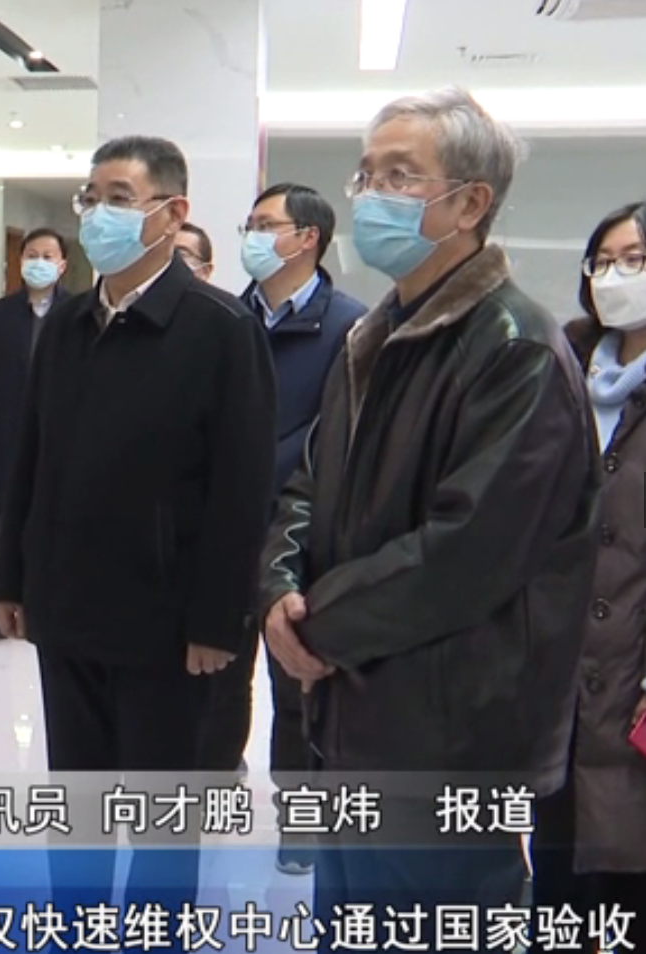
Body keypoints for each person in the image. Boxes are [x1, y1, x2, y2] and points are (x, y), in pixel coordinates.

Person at [257, 88, 597, 941]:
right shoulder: (372, 338)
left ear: (469, 203)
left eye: (399, 176)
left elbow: (463, 552)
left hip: (450, 738)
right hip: (351, 713)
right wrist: (276, 588)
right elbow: (308, 484)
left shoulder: (515, 349)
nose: (371, 194)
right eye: (366, 174)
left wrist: (312, 628)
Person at [0, 136, 276, 912]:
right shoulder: (67, 324)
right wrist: (9, 578)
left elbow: (240, 488)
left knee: (160, 824)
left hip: (166, 625)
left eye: (117, 198)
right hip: (66, 608)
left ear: (171, 213)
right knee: (76, 810)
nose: (96, 214)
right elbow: (28, 462)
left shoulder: (220, 329)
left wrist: (217, 620)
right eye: (90, 198)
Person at [199, 182, 366, 875]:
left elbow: (346, 439)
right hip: (221, 534)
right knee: (214, 675)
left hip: (302, 538)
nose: (252, 236)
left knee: (297, 685)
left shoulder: (353, 328)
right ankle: (210, 796)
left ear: (307, 239)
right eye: (250, 224)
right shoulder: (223, 319)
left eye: (266, 225)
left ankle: (300, 824)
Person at [532, 202, 646, 953]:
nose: (614, 275)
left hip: (633, 680)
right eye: (601, 261)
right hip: (557, 677)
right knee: (556, 886)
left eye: (634, 260)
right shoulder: (560, 370)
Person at [0, 227, 69, 647]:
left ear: (62, 265)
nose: (39, 262)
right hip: (9, 435)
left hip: (62, 438)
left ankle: (49, 610)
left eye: (48, 255)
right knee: (6, 525)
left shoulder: (79, 312)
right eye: (31, 255)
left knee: (58, 525)